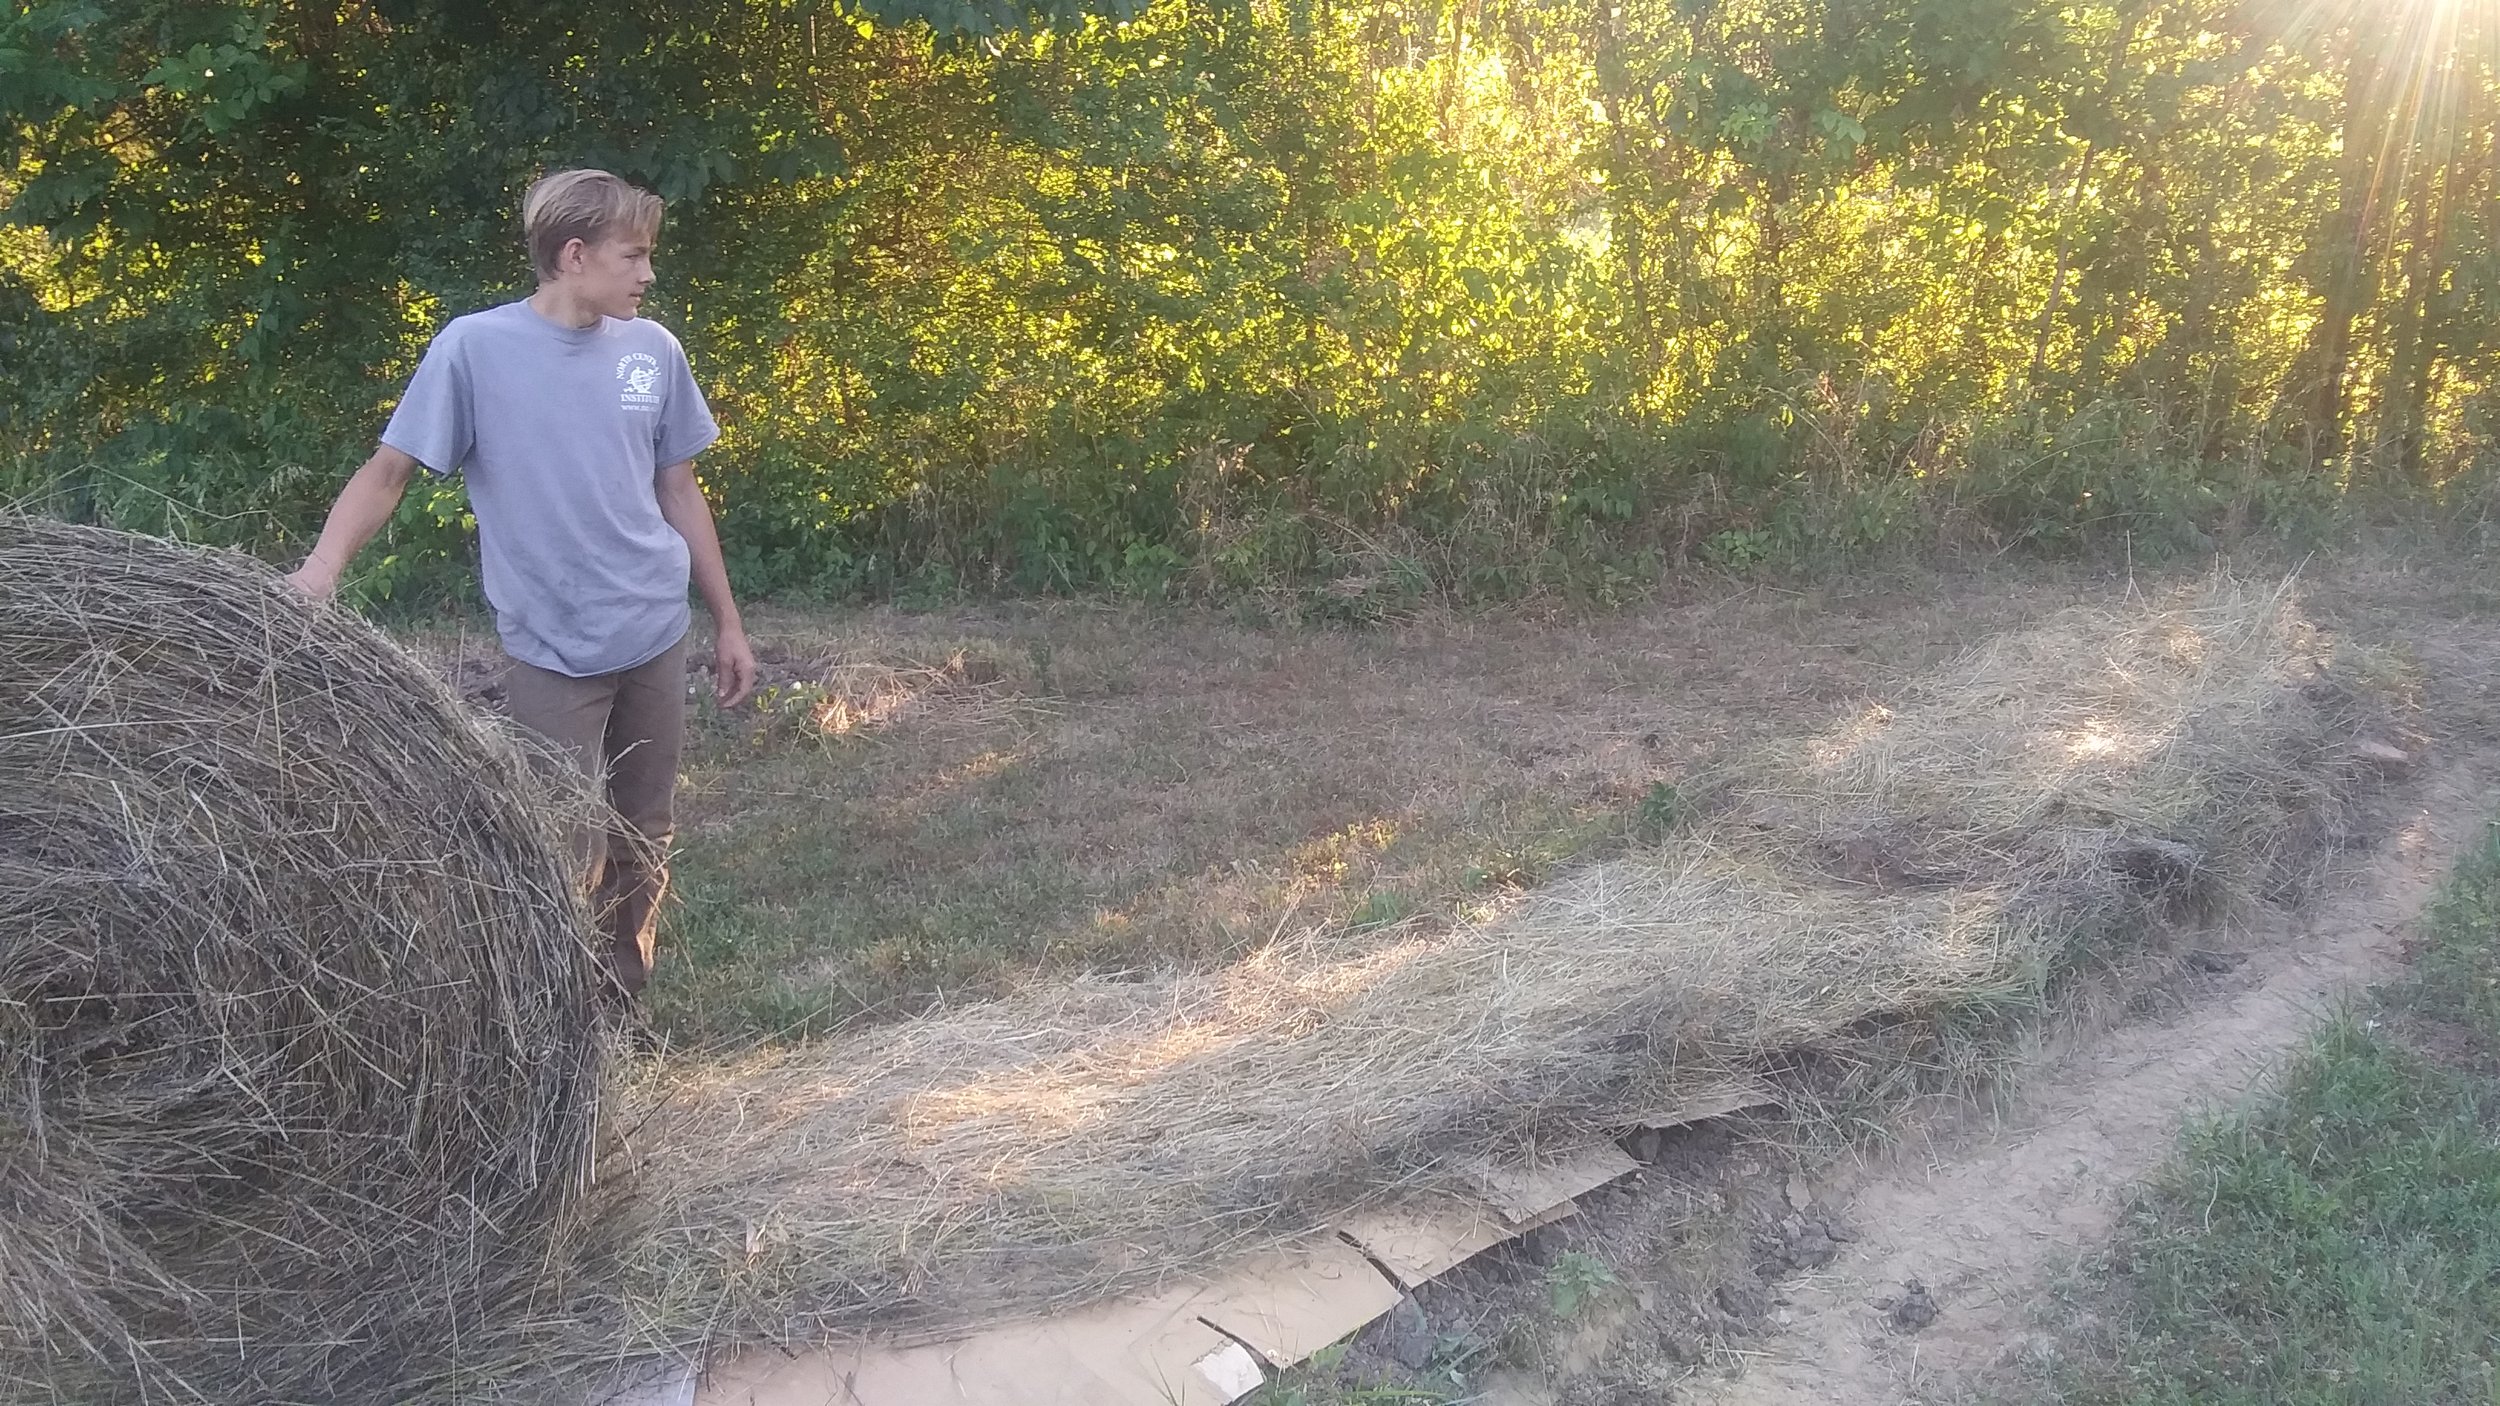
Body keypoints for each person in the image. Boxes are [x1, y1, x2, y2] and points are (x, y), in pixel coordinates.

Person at [287, 167, 757, 1002]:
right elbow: (390, 471)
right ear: (574, 255)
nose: (649, 274)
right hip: (550, 641)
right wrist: (322, 570)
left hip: (653, 624)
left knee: (644, 828)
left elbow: (678, 489)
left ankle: (620, 1001)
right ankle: (555, 1012)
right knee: (563, 839)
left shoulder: (654, 351)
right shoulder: (474, 349)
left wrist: (726, 621)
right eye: (634, 255)